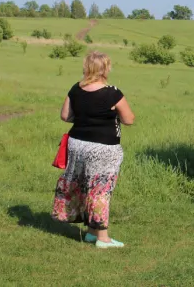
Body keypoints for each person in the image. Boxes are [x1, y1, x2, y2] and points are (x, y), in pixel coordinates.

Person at [51, 51, 134, 249]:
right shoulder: (113, 92)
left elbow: (65, 116)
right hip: (103, 148)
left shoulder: (75, 89)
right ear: (106, 68)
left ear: (86, 67)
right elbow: (129, 119)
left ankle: (90, 232)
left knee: (85, 185)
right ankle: (103, 238)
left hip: (77, 144)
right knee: (101, 190)